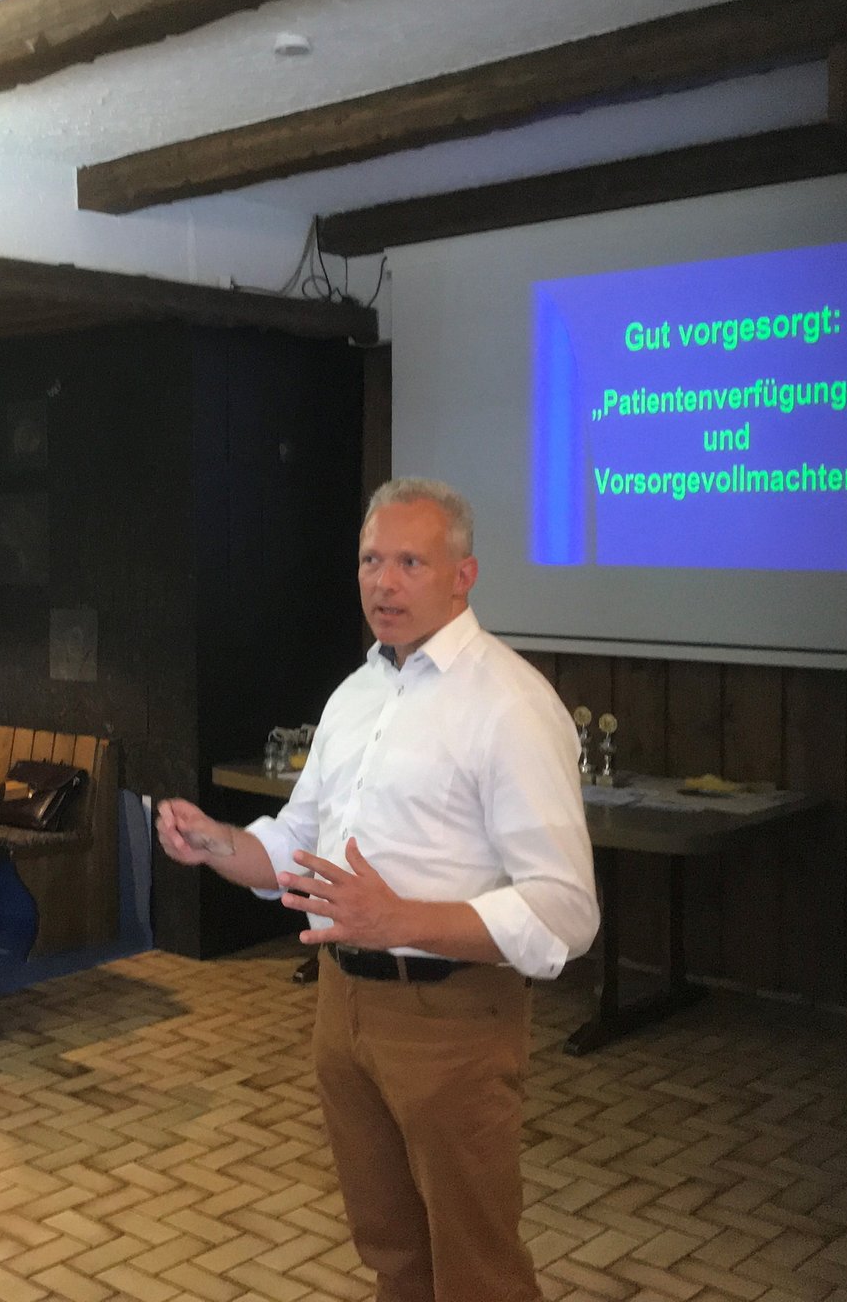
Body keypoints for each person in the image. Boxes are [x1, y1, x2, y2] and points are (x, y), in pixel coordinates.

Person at [157, 477, 599, 1302]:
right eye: (370, 561)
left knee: (478, 1270)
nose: (383, 583)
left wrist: (400, 919)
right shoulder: (356, 695)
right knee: (391, 1254)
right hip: (343, 1008)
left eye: (409, 563)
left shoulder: (511, 703)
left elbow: (565, 912)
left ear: (463, 576)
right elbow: (299, 845)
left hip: (452, 1019)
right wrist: (223, 846)